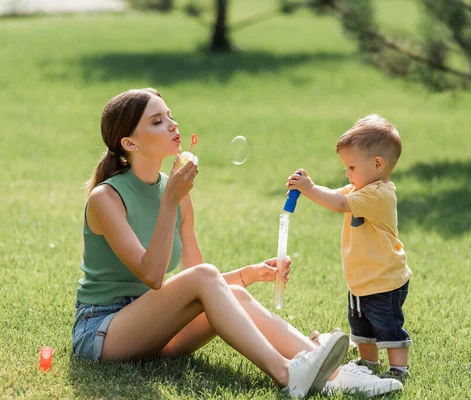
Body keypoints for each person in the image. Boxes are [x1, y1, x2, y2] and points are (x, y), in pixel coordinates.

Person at [72, 88, 401, 397]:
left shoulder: (173, 190)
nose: (173, 125)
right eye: (157, 122)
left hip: (153, 327)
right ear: (129, 143)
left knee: (237, 294)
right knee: (208, 278)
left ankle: (335, 375)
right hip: (102, 332)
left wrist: (249, 274)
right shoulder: (107, 198)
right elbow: (154, 276)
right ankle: (287, 374)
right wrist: (169, 201)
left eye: (170, 116)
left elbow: (198, 281)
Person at [287, 114, 412, 380]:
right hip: (362, 279)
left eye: (351, 167)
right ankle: (368, 362)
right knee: (361, 325)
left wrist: (308, 189)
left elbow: (339, 204)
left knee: (387, 325)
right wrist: (310, 187)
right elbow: (335, 194)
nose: (347, 173)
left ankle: (399, 369)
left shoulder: (378, 193)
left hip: (384, 280)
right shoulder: (360, 187)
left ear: (378, 164)